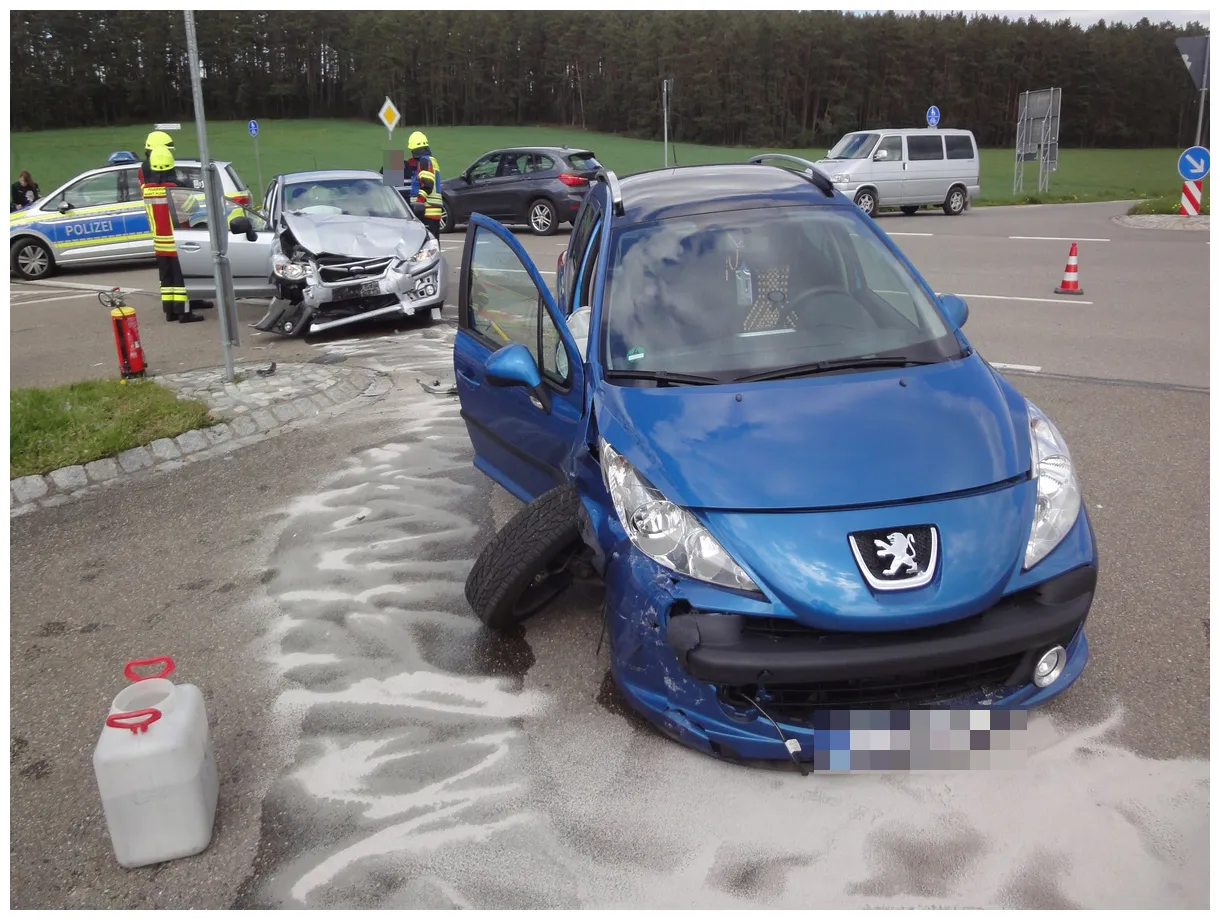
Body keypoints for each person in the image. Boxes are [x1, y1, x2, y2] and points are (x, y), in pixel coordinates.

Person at [143, 145, 200, 324]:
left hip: (159, 243)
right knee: (180, 281)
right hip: (176, 242)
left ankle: (169, 311)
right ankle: (184, 313)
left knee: (166, 280)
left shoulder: (146, 189)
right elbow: (193, 208)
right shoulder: (174, 190)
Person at [405, 131, 442, 236]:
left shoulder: (424, 161)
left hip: (425, 211)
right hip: (433, 211)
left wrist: (418, 203)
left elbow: (428, 185)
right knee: (433, 244)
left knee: (427, 246)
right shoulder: (430, 160)